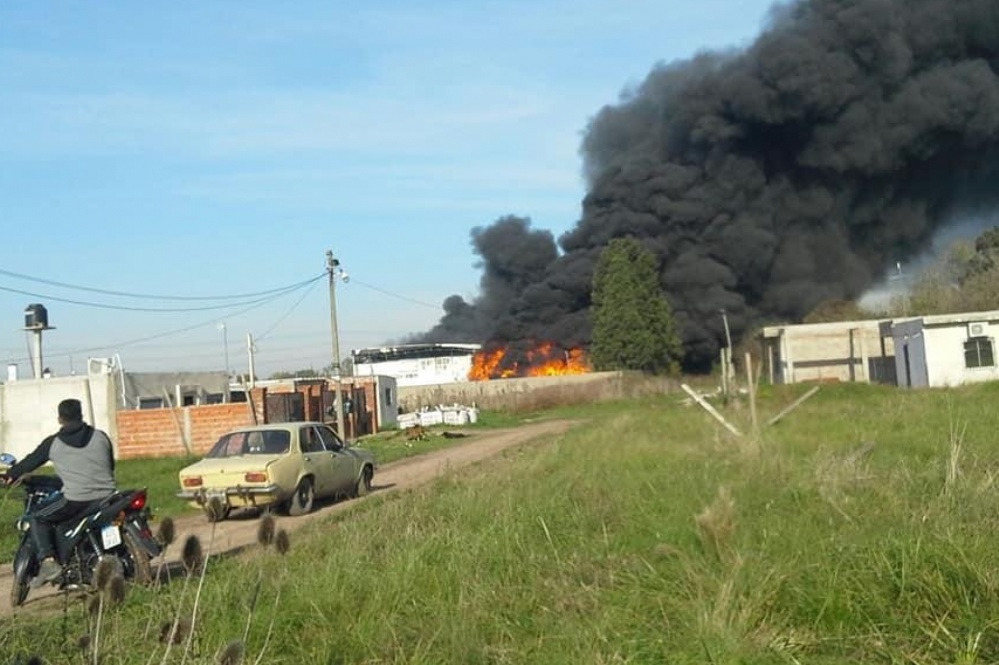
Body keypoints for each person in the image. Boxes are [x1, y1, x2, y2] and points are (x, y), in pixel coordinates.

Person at [1, 398, 116, 587]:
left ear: (60, 419)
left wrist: (9, 476)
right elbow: (110, 466)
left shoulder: (53, 443)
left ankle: (49, 561)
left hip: (77, 500)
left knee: (36, 517)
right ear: (81, 414)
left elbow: (29, 463)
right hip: (109, 496)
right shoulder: (101, 436)